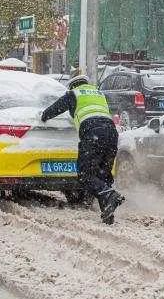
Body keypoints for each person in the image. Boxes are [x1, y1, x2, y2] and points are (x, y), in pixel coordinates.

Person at [41, 75, 124, 225]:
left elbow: (53, 110)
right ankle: (108, 213)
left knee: (85, 174)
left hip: (93, 133)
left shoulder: (74, 94)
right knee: (103, 174)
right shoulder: (99, 94)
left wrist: (43, 116)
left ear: (72, 86)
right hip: (111, 133)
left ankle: (109, 195)